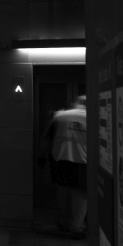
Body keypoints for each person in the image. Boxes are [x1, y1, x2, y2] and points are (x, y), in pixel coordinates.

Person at [41, 94, 87, 237]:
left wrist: (41, 156)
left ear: (76, 103)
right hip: (83, 160)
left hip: (60, 159)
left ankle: (64, 222)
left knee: (63, 191)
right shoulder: (93, 117)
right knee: (80, 194)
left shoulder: (60, 116)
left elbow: (47, 138)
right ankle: (76, 226)